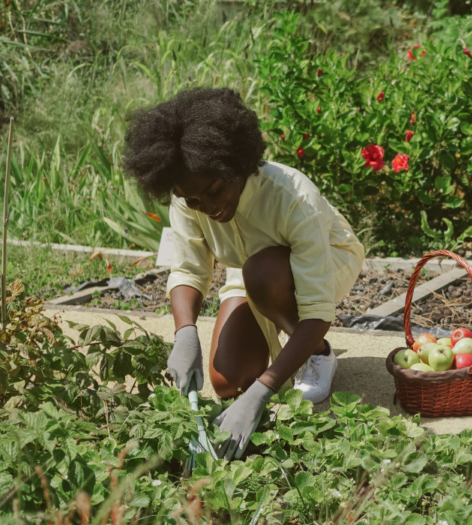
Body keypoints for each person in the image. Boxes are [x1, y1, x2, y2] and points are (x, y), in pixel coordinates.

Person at [122, 88, 364, 461]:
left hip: (327, 260)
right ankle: (279, 340)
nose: (209, 207)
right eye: (195, 201)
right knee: (227, 381)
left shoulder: (293, 197)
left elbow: (317, 309)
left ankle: (318, 353)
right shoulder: (190, 196)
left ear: (234, 164)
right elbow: (188, 268)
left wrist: (263, 391)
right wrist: (185, 333)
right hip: (250, 270)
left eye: (215, 191)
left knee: (263, 274)